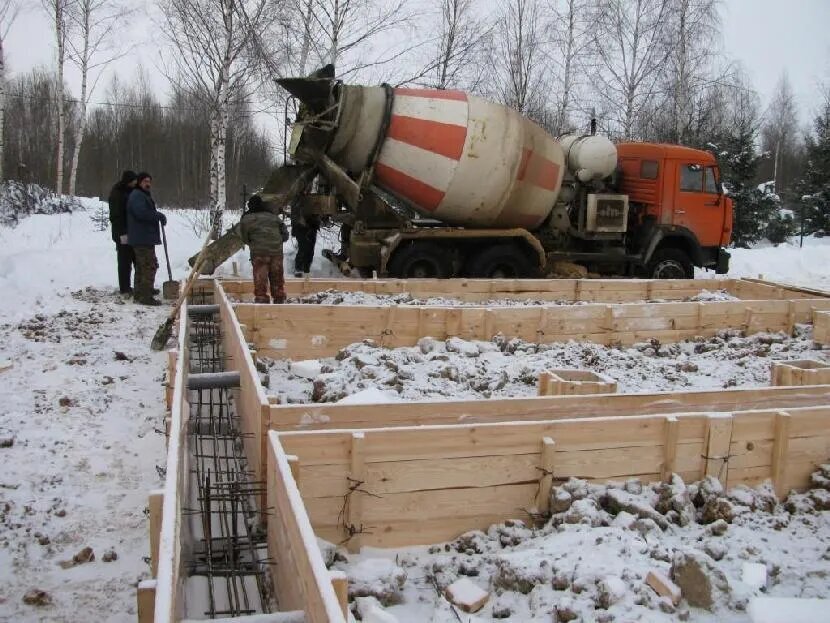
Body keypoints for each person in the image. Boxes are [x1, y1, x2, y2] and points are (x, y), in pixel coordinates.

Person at [127, 172, 167, 306]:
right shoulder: (137, 196)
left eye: (149, 181)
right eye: (145, 181)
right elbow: (141, 213)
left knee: (142, 266)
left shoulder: (142, 195)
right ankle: (145, 296)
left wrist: (157, 216)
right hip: (141, 237)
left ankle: (140, 292)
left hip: (144, 236)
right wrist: (158, 215)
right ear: (139, 182)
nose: (148, 184)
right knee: (149, 266)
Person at [239, 195, 287, 304]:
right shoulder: (273, 217)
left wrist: (253, 243)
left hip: (259, 252)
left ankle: (261, 299)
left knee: (260, 276)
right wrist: (278, 241)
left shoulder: (246, 219)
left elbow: (244, 237)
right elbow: (285, 234)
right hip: (276, 250)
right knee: (277, 275)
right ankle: (279, 298)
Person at [108, 170, 137, 294]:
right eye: (133, 181)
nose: (135, 183)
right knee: (124, 261)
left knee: (135, 259)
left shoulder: (129, 191)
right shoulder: (117, 193)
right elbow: (116, 216)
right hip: (122, 232)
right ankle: (124, 288)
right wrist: (122, 233)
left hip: (131, 231)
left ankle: (138, 286)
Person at [290, 197, 319, 277]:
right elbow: (295, 215)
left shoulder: (313, 198)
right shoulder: (297, 199)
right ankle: (298, 269)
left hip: (312, 226)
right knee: (303, 248)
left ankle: (306, 269)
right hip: (301, 228)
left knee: (310, 250)